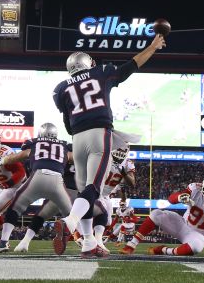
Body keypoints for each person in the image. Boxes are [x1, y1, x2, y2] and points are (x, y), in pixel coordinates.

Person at [54, 34, 165, 257]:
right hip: (98, 133)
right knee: (93, 188)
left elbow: (67, 125)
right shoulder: (100, 72)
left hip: (77, 139)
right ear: (89, 64)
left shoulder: (60, 89)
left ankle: (88, 244)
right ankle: (69, 223)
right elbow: (130, 66)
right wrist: (152, 47)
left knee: (85, 189)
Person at [0, 123, 74, 253]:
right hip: (58, 181)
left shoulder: (34, 144)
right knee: (72, 215)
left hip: (37, 177)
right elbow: (73, 159)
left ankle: (3, 242)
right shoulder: (64, 147)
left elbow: (18, 156)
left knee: (15, 207)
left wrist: (3, 160)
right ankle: (87, 241)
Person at [121, 172, 204, 257]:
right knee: (156, 214)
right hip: (182, 225)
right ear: (203, 183)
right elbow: (171, 199)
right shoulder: (194, 189)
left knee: (196, 248)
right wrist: (180, 197)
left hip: (197, 235)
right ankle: (131, 245)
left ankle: (163, 250)